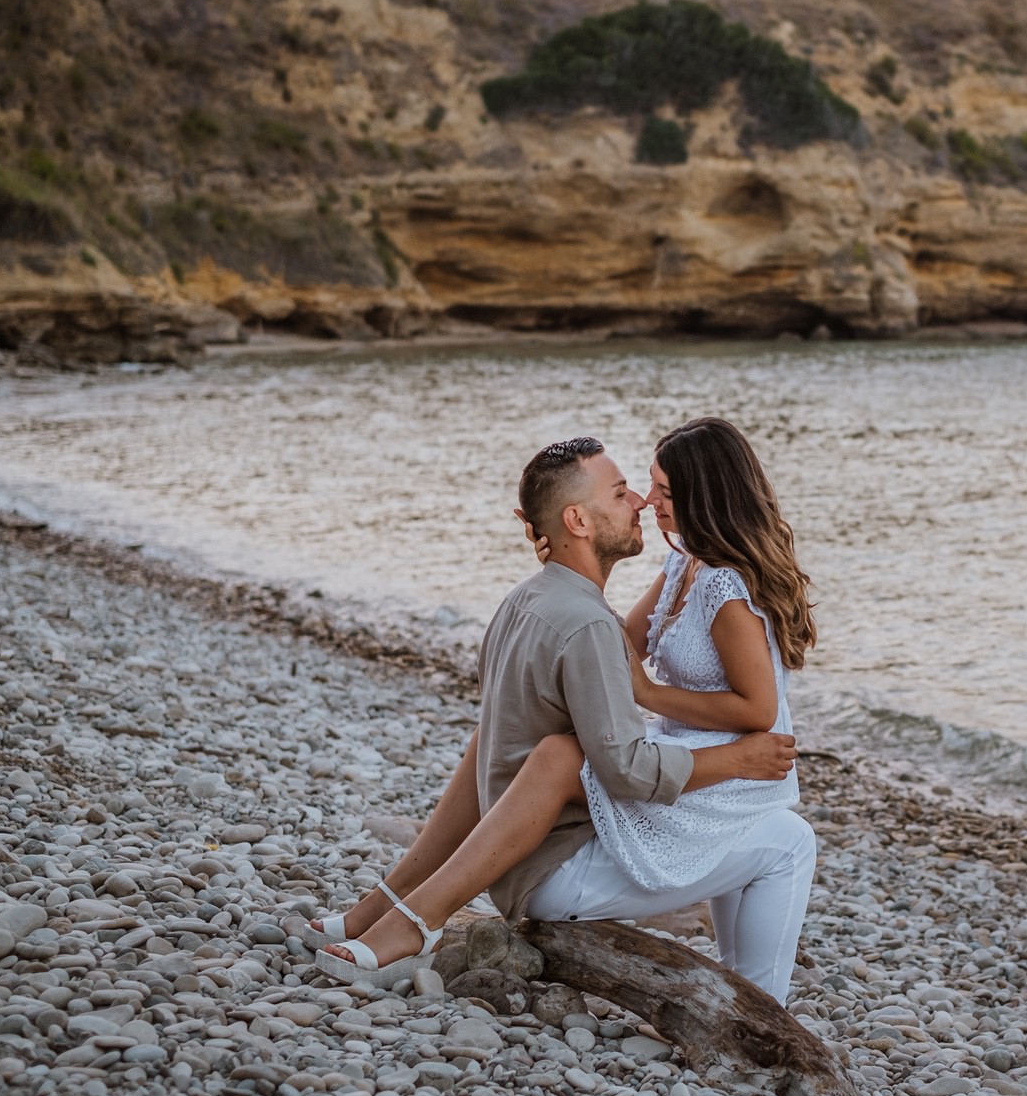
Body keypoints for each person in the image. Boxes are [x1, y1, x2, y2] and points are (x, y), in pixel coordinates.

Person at [313, 429, 819, 1003]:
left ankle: (750, 1005)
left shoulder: (536, 601)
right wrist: (649, 692)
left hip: (701, 776)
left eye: (660, 490)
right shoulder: (664, 578)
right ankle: (761, 1007)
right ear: (578, 520)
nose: (645, 502)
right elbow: (625, 686)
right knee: (790, 842)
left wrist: (640, 685)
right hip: (584, 848)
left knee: (768, 831)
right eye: (630, 491)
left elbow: (746, 705)